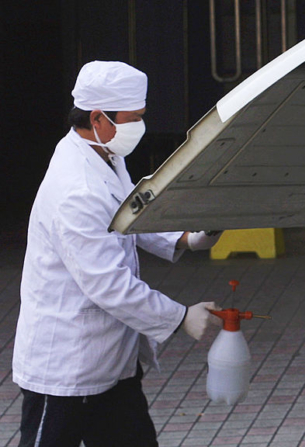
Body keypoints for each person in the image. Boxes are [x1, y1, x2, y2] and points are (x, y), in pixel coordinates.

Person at [12, 61, 223, 447]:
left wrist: (185, 239)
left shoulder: (103, 154)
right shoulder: (75, 189)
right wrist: (181, 317)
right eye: (133, 119)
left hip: (111, 367)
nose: (139, 127)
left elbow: (126, 216)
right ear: (97, 117)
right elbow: (108, 286)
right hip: (66, 369)